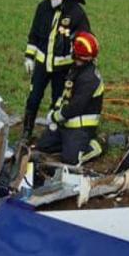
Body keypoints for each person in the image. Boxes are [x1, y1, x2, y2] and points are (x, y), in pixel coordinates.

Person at [23, 0, 90, 141]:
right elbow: (34, 34)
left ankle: (52, 133)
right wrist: (29, 57)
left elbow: (85, 40)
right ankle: (27, 131)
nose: (51, 1)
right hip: (41, 65)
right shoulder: (43, 8)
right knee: (33, 98)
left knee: (58, 102)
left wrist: (77, 66)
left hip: (63, 69)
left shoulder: (77, 13)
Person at [37, 32, 104, 165]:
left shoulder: (89, 79)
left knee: (70, 160)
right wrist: (56, 109)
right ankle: (70, 145)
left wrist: (56, 117)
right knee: (44, 146)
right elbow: (66, 93)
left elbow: (75, 107)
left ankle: (97, 145)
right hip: (66, 124)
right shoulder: (77, 68)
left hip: (81, 128)